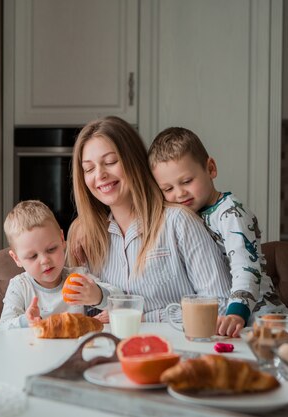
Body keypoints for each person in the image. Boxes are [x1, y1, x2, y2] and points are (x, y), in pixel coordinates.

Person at [67, 116, 234, 327]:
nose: (100, 175)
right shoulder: (86, 237)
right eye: (89, 169)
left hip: (178, 350)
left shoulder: (177, 222)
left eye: (110, 162)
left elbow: (219, 304)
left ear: (134, 160)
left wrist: (142, 317)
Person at [148, 127, 288, 335]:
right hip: (226, 321)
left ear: (211, 168)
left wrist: (236, 313)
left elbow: (245, 268)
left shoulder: (231, 214)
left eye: (187, 181)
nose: (179, 193)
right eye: (168, 189)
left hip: (261, 318)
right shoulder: (188, 215)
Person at [0, 200, 121, 331]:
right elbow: (3, 327)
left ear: (62, 240)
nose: (45, 260)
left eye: (51, 249)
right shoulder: (20, 286)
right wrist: (25, 321)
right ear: (16, 258)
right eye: (33, 256)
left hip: (76, 348)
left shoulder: (78, 277)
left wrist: (98, 295)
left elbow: (121, 300)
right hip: (35, 349)